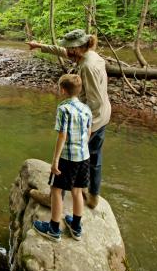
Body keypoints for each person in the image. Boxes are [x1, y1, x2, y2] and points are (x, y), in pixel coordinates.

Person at [27, 28, 111, 209]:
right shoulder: (89, 55)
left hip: (92, 120)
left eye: (70, 49)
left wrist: (80, 123)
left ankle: (53, 198)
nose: (67, 52)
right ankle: (93, 197)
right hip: (103, 116)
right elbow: (62, 51)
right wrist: (40, 46)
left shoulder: (87, 66)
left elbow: (94, 101)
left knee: (66, 157)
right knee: (94, 158)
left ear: (78, 48)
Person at [33, 73, 92, 242]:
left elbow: (62, 135)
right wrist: (82, 147)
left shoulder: (63, 109)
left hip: (67, 158)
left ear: (63, 90)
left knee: (57, 191)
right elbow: (88, 132)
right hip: (84, 156)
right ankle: (76, 227)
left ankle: (53, 229)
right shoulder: (86, 108)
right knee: (77, 190)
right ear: (79, 90)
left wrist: (55, 160)